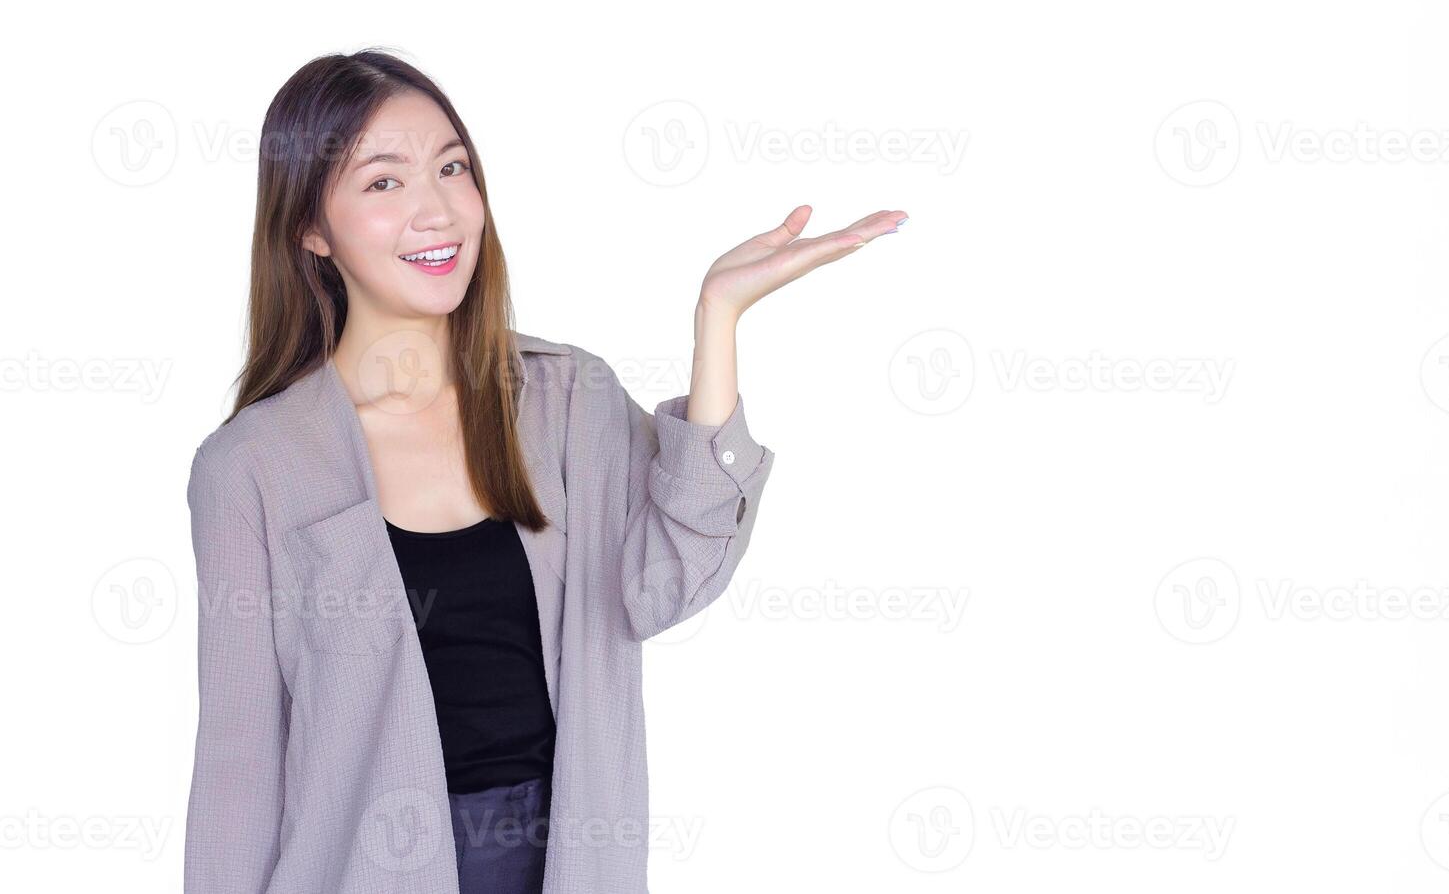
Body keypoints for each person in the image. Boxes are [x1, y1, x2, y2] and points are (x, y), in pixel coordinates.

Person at [183, 47, 907, 894]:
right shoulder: (251, 467)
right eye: (383, 182)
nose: (437, 211)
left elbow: (666, 581)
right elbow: (239, 759)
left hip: (567, 861)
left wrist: (718, 321)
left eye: (452, 168)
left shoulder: (568, 399)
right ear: (310, 229)